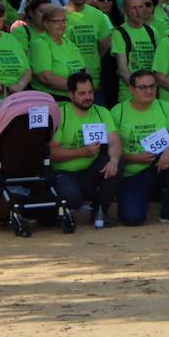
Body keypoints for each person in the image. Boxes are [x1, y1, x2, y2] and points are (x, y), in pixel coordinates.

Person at [108, 69, 169, 226]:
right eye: (143, 87)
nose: (149, 91)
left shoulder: (166, 107)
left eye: (152, 86)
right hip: (133, 172)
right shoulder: (118, 112)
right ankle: (140, 198)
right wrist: (135, 158)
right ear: (131, 89)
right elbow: (111, 149)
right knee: (132, 219)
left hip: (160, 165)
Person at [49, 71, 121, 229]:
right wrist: (82, 152)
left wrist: (114, 161)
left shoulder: (101, 112)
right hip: (64, 173)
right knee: (73, 199)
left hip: (90, 171)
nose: (88, 97)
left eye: (90, 92)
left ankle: (100, 211)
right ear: (71, 95)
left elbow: (114, 141)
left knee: (115, 164)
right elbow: (51, 153)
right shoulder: (61, 115)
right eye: (82, 93)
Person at [28, 4, 86, 103]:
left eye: (63, 21)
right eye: (56, 21)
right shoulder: (41, 44)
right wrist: (78, 87)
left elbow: (83, 69)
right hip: (50, 100)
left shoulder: (68, 43)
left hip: (74, 97)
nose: (62, 25)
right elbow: (45, 77)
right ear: (46, 23)